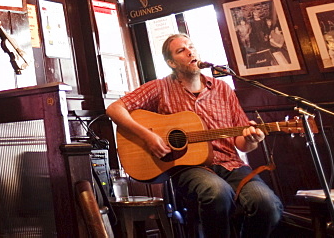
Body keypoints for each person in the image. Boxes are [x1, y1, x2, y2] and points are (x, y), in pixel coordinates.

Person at [106, 34, 282, 238]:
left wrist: (252, 140)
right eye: (181, 50)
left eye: (191, 47)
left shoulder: (222, 89)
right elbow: (114, 109)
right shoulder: (160, 87)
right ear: (171, 63)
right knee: (217, 193)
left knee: (267, 205)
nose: (190, 52)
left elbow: (242, 144)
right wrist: (147, 136)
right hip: (190, 168)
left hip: (231, 165)